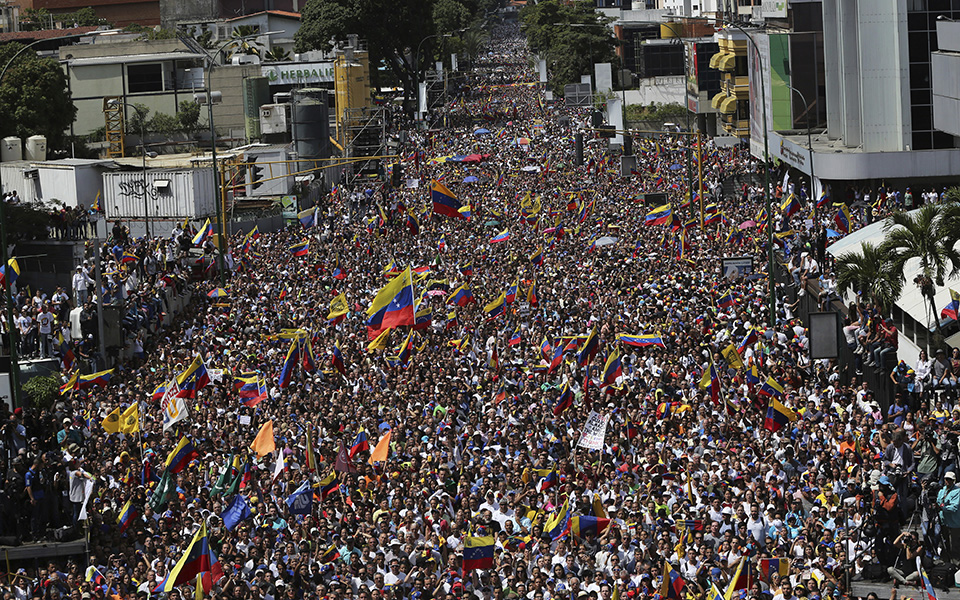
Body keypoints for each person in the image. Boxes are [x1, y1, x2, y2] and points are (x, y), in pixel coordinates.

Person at [937, 471, 960, 565]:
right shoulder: (942, 491)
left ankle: (956, 563)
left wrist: (942, 507)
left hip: (954, 523)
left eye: (950, 479)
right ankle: (946, 562)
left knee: (954, 544)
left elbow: (954, 507)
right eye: (946, 479)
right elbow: (938, 501)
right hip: (943, 521)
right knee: (944, 542)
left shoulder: (957, 491)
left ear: (953, 480)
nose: (947, 481)